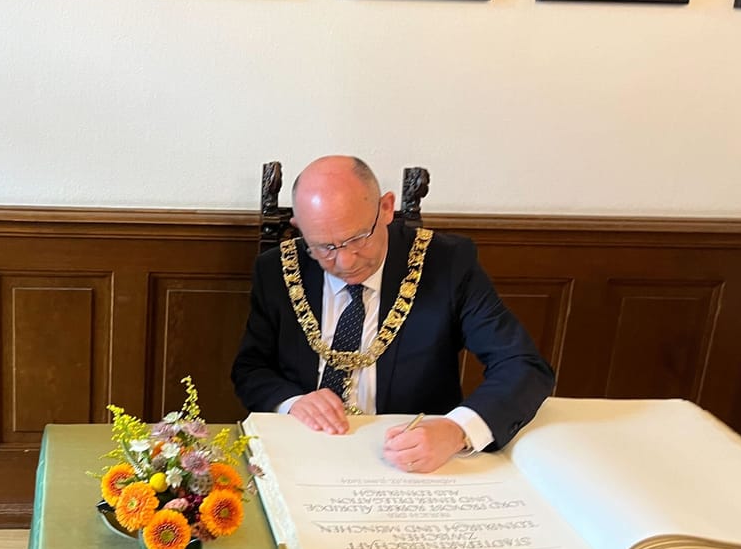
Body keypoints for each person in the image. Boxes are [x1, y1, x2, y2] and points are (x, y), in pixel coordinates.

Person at [231, 156, 555, 474]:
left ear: (386, 208)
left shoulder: (447, 264)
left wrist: (457, 430)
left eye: (358, 238)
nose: (345, 262)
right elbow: (251, 368)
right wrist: (292, 402)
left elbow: (522, 366)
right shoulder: (277, 269)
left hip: (412, 461)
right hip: (306, 453)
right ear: (299, 227)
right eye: (324, 247)